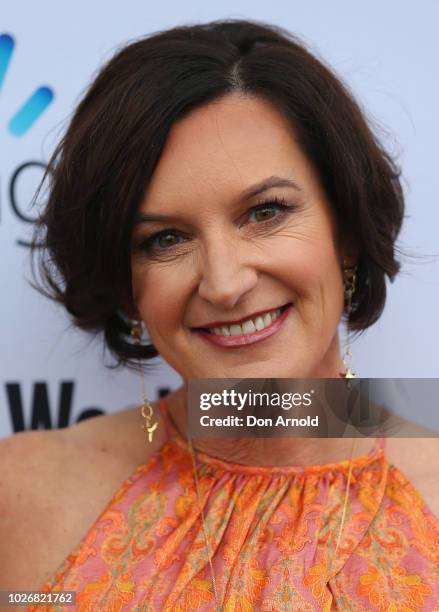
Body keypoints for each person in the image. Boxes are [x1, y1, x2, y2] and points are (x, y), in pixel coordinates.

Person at [0, 19, 438, 611]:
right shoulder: (23, 493)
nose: (226, 283)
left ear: (347, 232)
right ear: (127, 286)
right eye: (164, 240)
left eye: (265, 212)